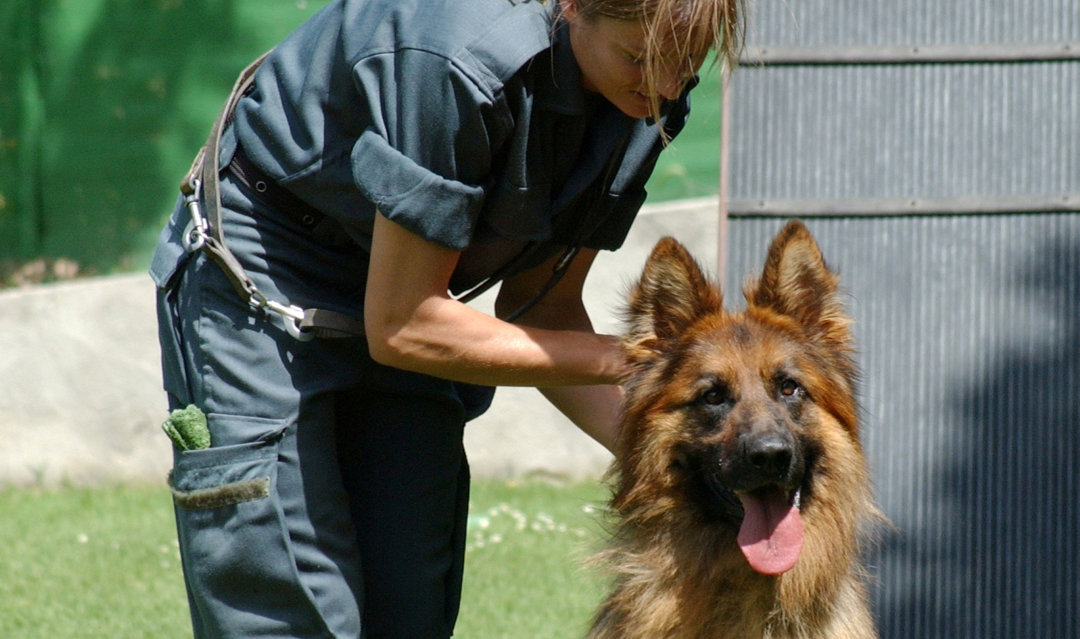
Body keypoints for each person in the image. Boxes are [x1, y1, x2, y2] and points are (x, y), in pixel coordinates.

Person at [149, 0, 744, 637]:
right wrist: (635, 361)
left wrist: (707, 461)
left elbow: (540, 305)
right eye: (640, 58)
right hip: (271, 261)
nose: (665, 84)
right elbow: (405, 325)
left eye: (688, 65)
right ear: (573, 8)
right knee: (289, 602)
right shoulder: (462, 57)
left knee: (410, 599)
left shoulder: (646, 99)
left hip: (416, 289)